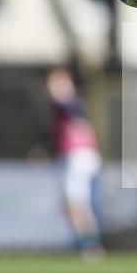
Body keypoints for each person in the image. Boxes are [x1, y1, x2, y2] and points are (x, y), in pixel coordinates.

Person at [46, 67, 104, 259]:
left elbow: (77, 121)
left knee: (76, 204)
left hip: (77, 156)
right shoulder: (68, 105)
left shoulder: (69, 103)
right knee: (73, 205)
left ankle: (89, 246)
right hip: (76, 156)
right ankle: (87, 244)